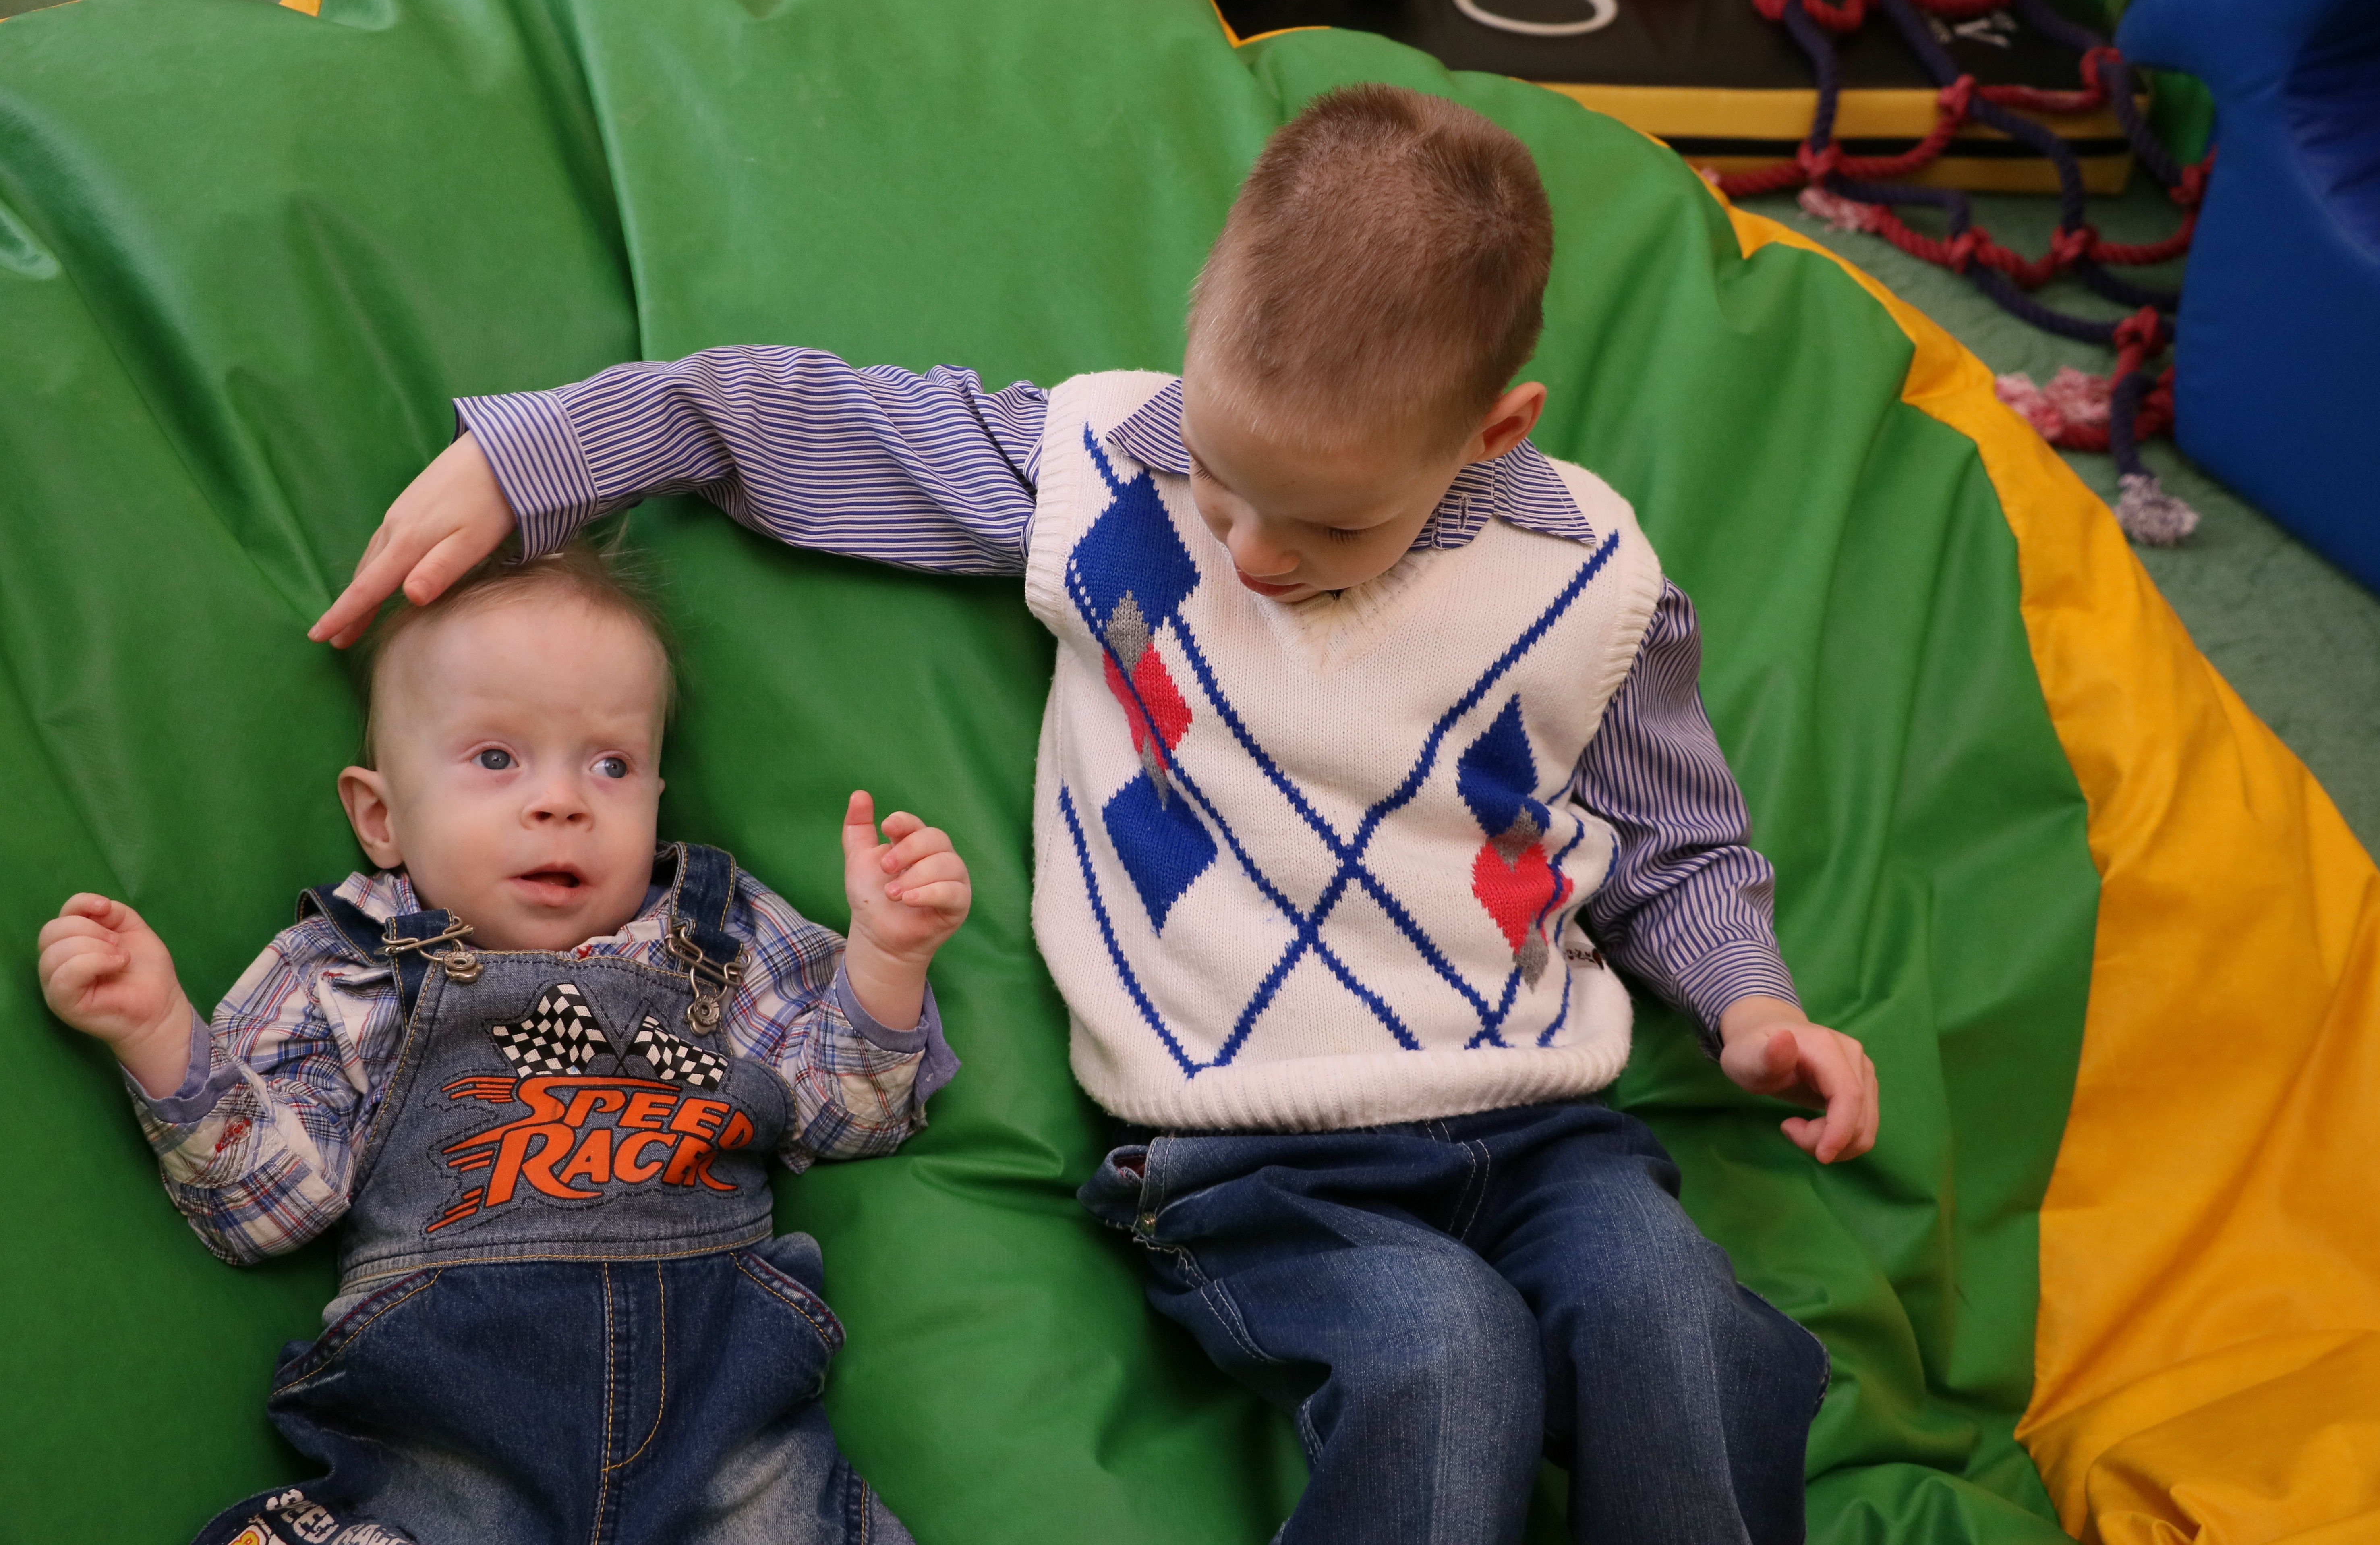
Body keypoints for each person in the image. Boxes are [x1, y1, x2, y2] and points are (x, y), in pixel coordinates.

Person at [307, 83, 1876, 1544]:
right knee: (1448, 1354)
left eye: (1329, 524)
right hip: (1251, 1153)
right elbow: (802, 424)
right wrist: (542, 456)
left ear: (1492, 432)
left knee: (1679, 1315)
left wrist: (1751, 1002)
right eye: (1226, 479)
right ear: (1198, 334)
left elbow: (1675, 844)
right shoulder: (1113, 474)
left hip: (1546, 1123)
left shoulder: (1589, 579)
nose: (1252, 554)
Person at [37, 539, 969, 1545]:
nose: (562, 801)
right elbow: (270, 1208)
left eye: (611, 764)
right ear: (382, 817)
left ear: (656, 794)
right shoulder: (343, 969)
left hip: (723, 1427)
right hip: (449, 1440)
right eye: (496, 758)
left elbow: (847, 1113)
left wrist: (888, 955)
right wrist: (158, 1030)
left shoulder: (717, 936)